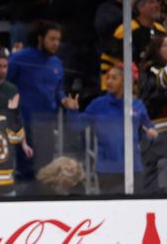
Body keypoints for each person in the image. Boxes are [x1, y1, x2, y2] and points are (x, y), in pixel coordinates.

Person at [64, 65, 159, 194]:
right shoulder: (98, 104)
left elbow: (147, 129)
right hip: (107, 170)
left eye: (114, 78)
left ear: (125, 82)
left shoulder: (137, 105)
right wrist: (72, 110)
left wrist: (151, 133)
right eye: (107, 78)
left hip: (133, 168)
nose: (108, 81)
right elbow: (76, 126)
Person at [7, 20, 70, 182]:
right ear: (40, 38)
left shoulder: (56, 62)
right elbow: (7, 84)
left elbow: (58, 89)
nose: (56, 43)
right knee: (26, 169)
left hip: (47, 121)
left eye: (58, 39)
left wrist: (63, 99)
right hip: (24, 121)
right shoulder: (20, 58)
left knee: (45, 168)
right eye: (52, 39)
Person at [138, 35, 167, 193]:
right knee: (155, 176)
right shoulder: (151, 68)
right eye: (166, 45)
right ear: (157, 50)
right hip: (157, 129)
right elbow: (163, 79)